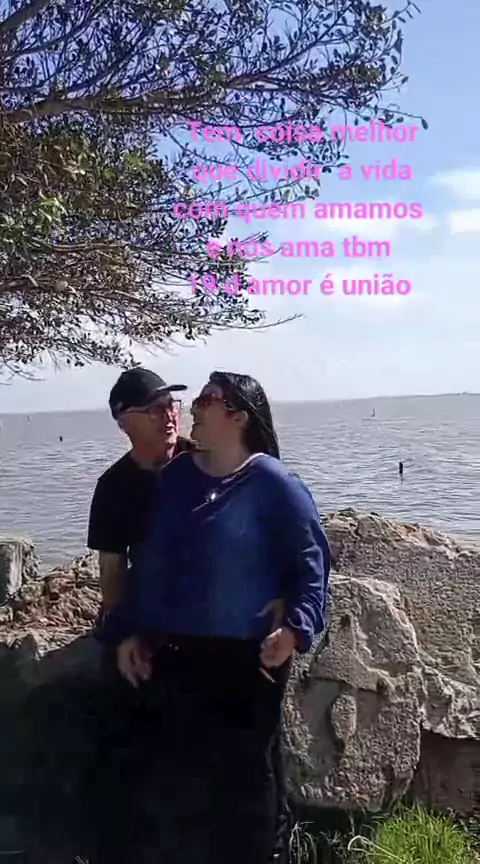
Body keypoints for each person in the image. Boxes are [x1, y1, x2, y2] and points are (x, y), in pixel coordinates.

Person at [100, 371, 330, 864]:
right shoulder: (176, 479)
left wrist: (295, 630)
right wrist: (126, 632)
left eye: (206, 400)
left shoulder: (275, 483)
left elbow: (312, 568)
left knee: (250, 783)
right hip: (178, 654)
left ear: (238, 417)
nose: (192, 409)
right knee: (185, 783)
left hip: (250, 658)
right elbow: (152, 567)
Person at [87, 366, 190, 616]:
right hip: (156, 609)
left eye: (171, 405)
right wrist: (118, 625)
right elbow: (112, 570)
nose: (168, 415)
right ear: (124, 422)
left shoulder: (205, 461)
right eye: (155, 409)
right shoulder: (114, 487)